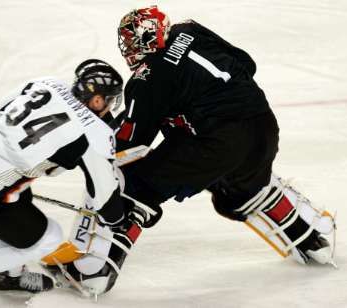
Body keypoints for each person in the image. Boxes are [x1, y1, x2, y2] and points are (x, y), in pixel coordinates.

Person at [112, 6, 335, 265]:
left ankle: (99, 266)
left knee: (136, 185)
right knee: (245, 189)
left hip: (217, 142)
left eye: (130, 41)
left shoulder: (147, 77)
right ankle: (310, 239)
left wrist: (94, 149)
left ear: (148, 38)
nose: (127, 48)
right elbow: (246, 62)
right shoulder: (190, 29)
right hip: (263, 126)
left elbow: (132, 142)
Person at [0, 59, 132, 307]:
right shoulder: (94, 135)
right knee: (47, 236)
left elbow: (1, 110)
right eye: (110, 100)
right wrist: (117, 221)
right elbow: (104, 193)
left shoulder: (48, 83)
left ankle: (11, 275)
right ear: (97, 100)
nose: (111, 106)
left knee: (20, 203)